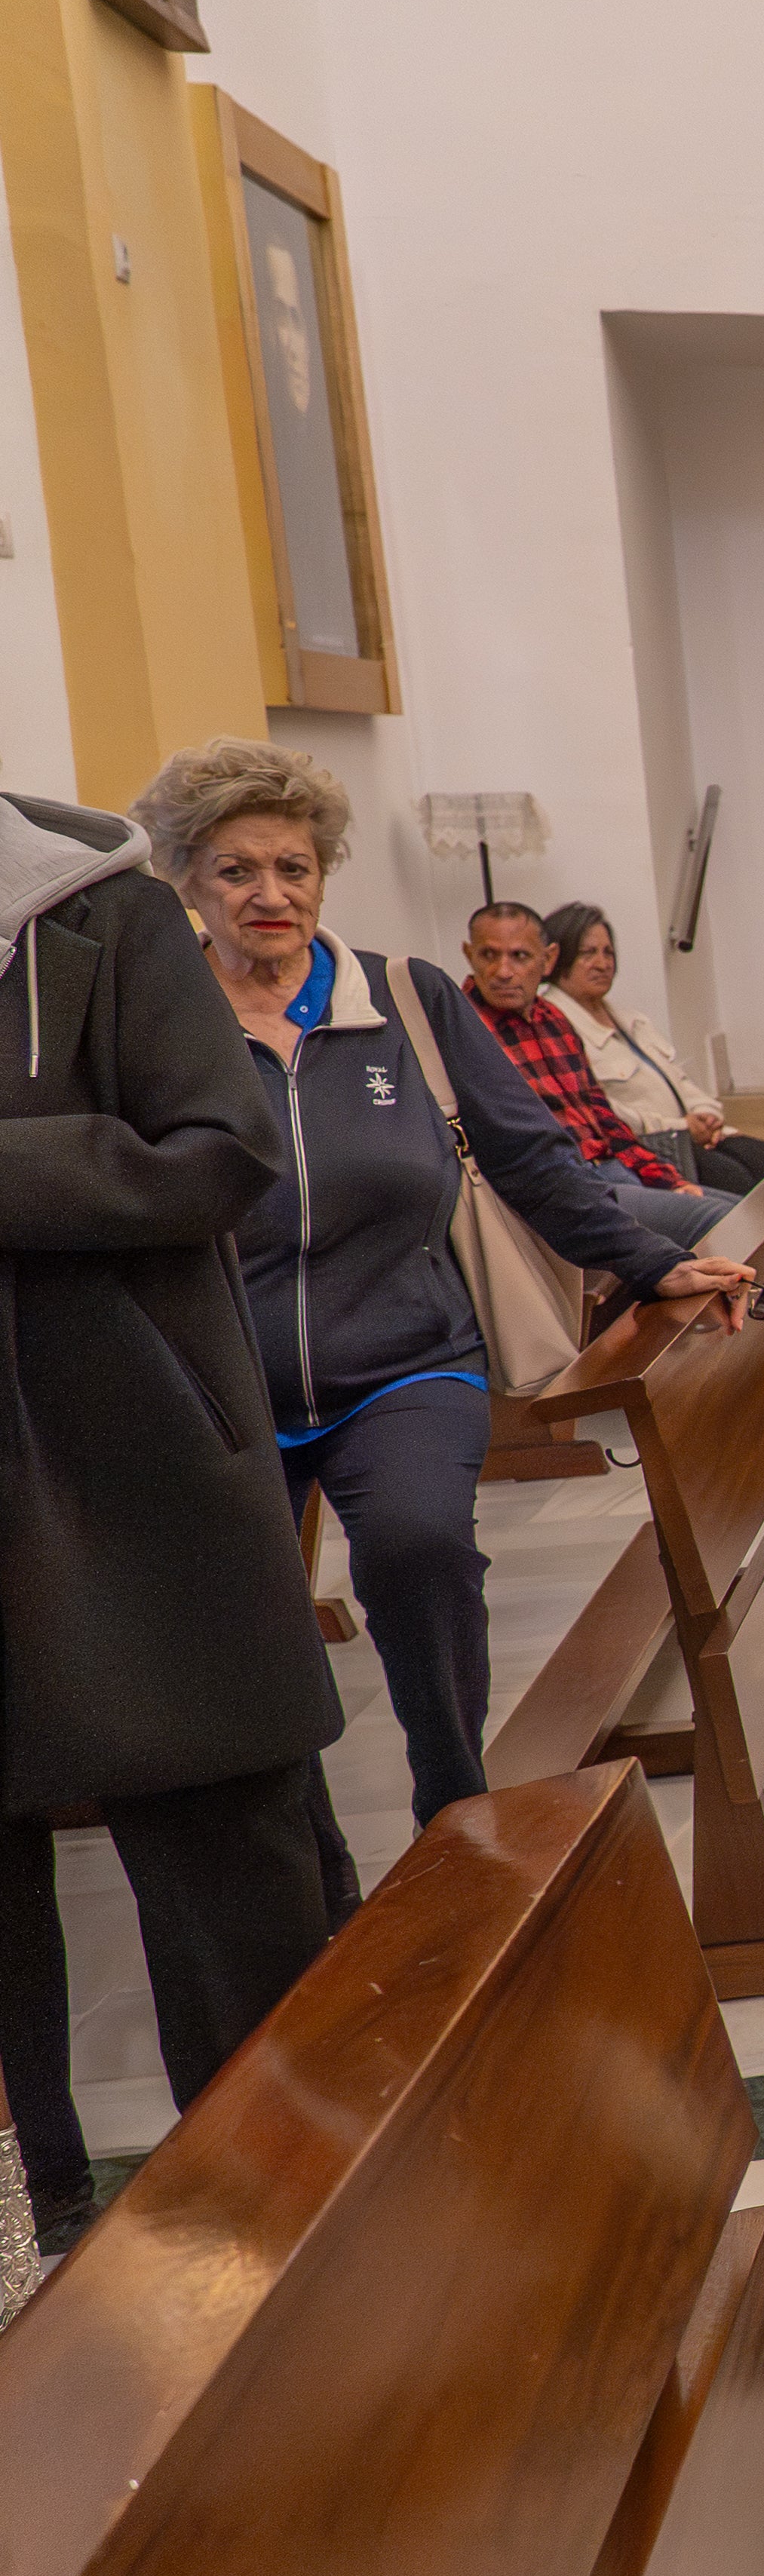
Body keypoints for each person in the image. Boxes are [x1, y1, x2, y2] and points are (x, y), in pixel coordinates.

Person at [143, 738, 753, 1891]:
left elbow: (532, 1159)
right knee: (246, 1625)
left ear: (324, 876)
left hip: (407, 1356)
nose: (269, 894)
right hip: (221, 1375)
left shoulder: (408, 1003)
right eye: (234, 872)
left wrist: (644, 1263)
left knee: (423, 1547)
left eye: (292, 866)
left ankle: (450, 1793)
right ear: (187, 882)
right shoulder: (154, 1020)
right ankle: (303, 1861)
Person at [0, 787, 345, 2260]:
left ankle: (292, 2216)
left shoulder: (98, 909)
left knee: (231, 1882)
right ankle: (41, 2226)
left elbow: (220, 1149)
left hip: (129, 1473)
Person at [459, 901, 735, 1234]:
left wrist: (667, 1180)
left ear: (548, 959)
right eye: (489, 955)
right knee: (717, 1221)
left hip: (613, 1171)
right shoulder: (464, 1029)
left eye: (520, 956)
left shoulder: (554, 1020)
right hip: (566, 1192)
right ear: (469, 954)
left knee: (747, 1211)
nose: (503, 971)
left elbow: (605, 1118)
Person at [538, 900, 764, 1193]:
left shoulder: (631, 1020)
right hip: (649, 1144)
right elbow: (602, 1112)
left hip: (689, 1134)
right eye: (588, 954)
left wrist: (707, 1114)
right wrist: (680, 1126)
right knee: (737, 1183)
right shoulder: (553, 1026)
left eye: (608, 953)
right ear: (557, 958)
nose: (603, 964)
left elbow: (678, 1079)